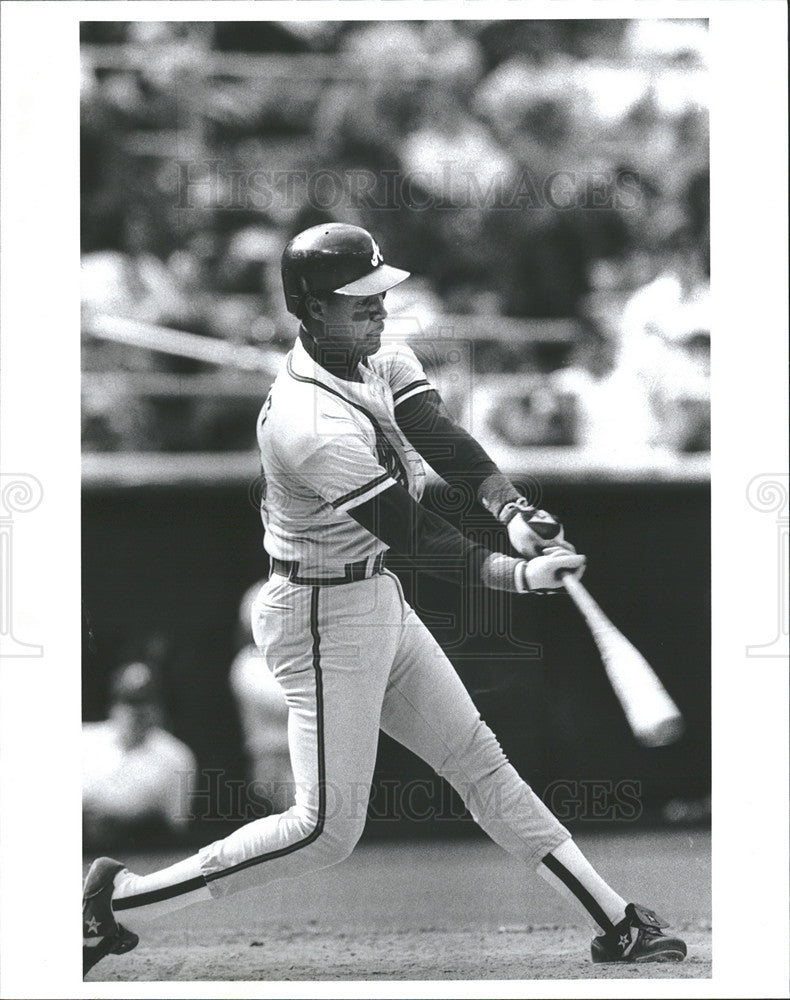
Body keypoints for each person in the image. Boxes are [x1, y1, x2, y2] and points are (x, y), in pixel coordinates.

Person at [83, 223, 686, 975]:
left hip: (374, 596)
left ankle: (617, 921)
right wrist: (516, 576)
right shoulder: (308, 422)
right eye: (357, 300)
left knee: (482, 763)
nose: (377, 309)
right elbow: (416, 536)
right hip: (316, 615)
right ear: (307, 308)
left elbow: (443, 439)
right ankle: (116, 905)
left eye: (379, 294)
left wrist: (510, 511)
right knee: (324, 830)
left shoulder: (382, 357)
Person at [83, 662, 197, 849]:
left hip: (139, 852)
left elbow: (176, 828)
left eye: (145, 701)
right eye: (129, 701)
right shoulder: (84, 739)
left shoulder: (177, 756)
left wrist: (124, 818)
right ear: (114, 703)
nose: (136, 711)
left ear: (157, 706)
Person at [229, 581, 294, 815]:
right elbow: (289, 703)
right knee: (294, 831)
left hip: (309, 755)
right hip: (275, 760)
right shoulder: (248, 663)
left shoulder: (294, 657)